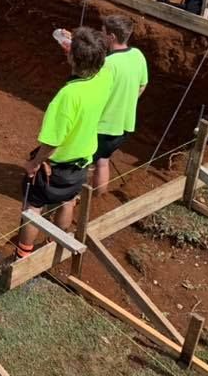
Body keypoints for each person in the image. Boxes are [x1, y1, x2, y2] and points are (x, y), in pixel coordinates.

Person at [14, 27, 111, 260]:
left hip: (54, 166)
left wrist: (35, 163)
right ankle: (52, 247)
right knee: (68, 201)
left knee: (32, 209)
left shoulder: (68, 96)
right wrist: (75, 44)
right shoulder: (104, 77)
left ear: (71, 58)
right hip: (83, 161)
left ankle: (21, 259)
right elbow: (94, 55)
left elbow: (51, 142)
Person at [94, 14, 148, 196]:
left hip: (102, 125)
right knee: (103, 160)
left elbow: (93, 91)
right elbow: (143, 84)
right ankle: (98, 197)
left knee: (85, 162)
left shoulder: (108, 64)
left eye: (103, 32)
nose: (101, 35)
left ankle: (75, 197)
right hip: (124, 124)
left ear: (112, 37)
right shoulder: (138, 55)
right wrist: (129, 100)